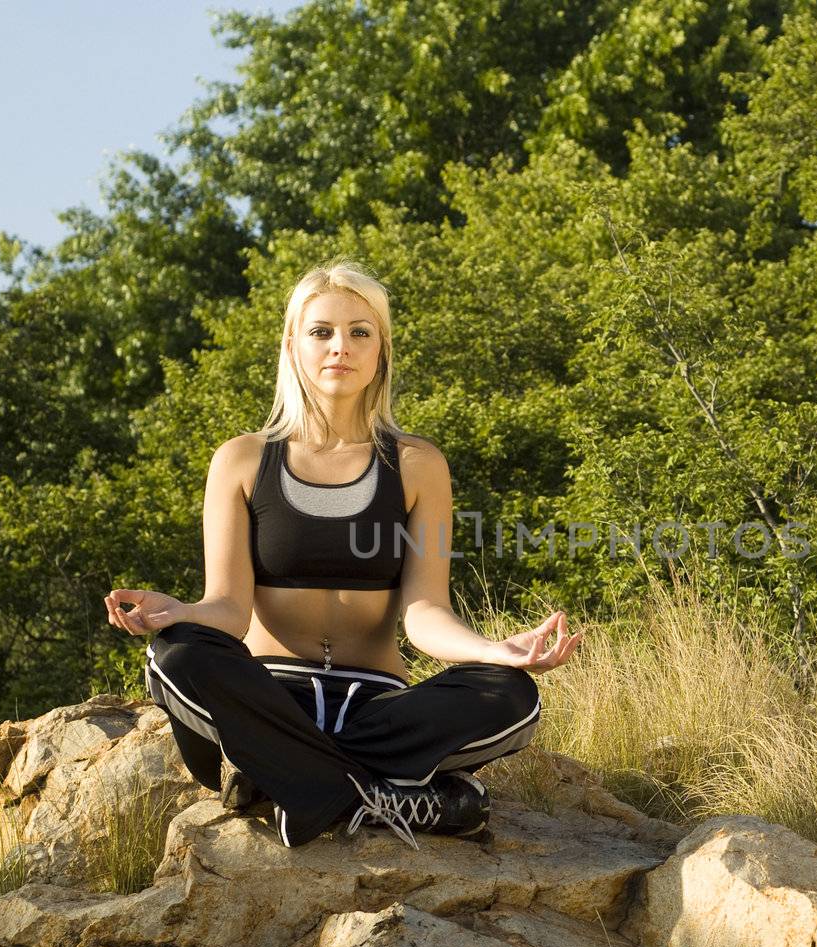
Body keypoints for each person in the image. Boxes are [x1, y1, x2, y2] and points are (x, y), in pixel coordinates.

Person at [104, 258, 581, 850]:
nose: (341, 347)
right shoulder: (242, 460)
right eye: (322, 331)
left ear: (381, 350)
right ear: (293, 345)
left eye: (361, 332)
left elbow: (424, 610)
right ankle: (388, 797)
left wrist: (495, 650)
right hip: (274, 697)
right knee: (174, 657)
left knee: (513, 696)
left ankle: (296, 783)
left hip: (377, 707)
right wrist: (176, 612)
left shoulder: (417, 465)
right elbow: (227, 608)